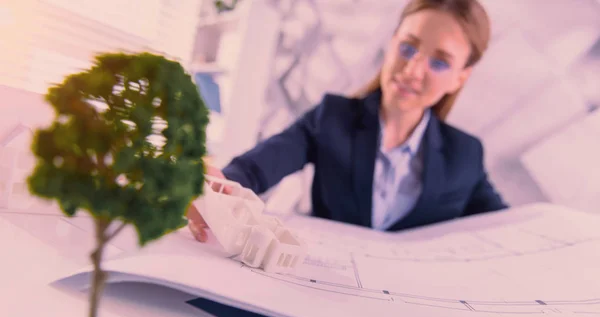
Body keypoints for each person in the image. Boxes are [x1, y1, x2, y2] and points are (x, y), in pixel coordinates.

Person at [188, 0, 508, 242]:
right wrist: (216, 190)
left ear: (460, 78)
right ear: (392, 42)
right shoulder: (333, 117)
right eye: (408, 47)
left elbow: (510, 229)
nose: (412, 69)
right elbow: (255, 169)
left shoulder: (465, 154)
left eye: (439, 62)